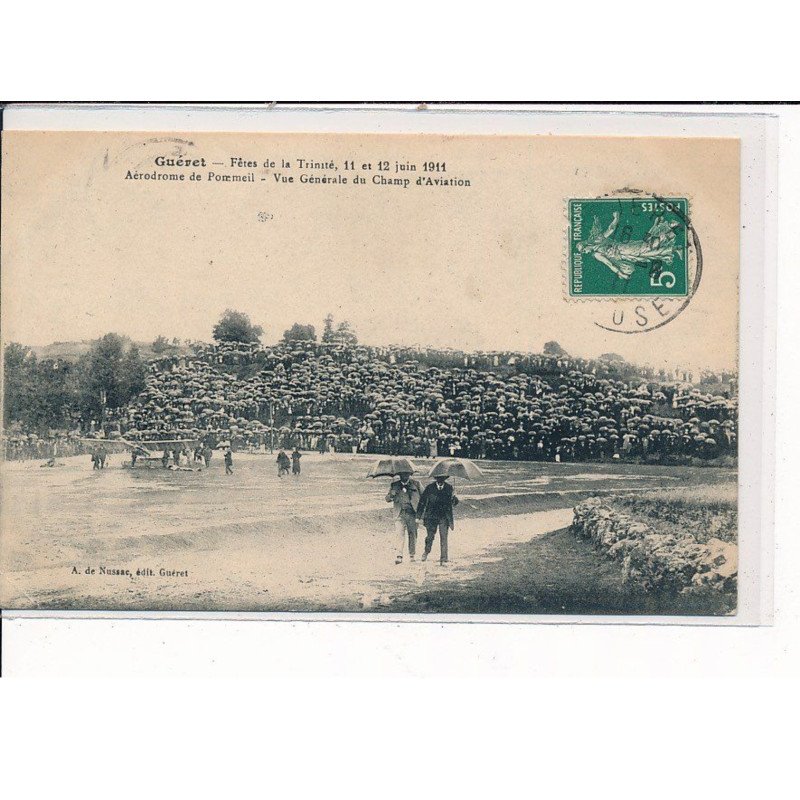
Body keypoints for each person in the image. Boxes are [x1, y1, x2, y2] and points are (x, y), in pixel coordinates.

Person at [417, 475, 459, 564]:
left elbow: (454, 503)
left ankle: (443, 559)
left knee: (444, 537)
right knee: (430, 537)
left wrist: (454, 498)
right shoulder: (429, 488)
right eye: (439, 478)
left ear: (445, 479)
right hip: (431, 517)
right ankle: (426, 551)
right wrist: (418, 516)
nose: (441, 480)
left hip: (444, 516)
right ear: (436, 479)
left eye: (443, 478)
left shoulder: (449, 488)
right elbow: (422, 502)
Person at [385, 471, 421, 565]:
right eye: (402, 475)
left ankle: (412, 555)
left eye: (406, 474)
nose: (404, 476)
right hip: (399, 513)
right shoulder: (394, 485)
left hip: (412, 513)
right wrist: (391, 495)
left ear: (410, 475)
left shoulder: (416, 484)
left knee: (412, 534)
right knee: (399, 534)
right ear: (399, 475)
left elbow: (424, 496)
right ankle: (399, 555)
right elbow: (387, 499)